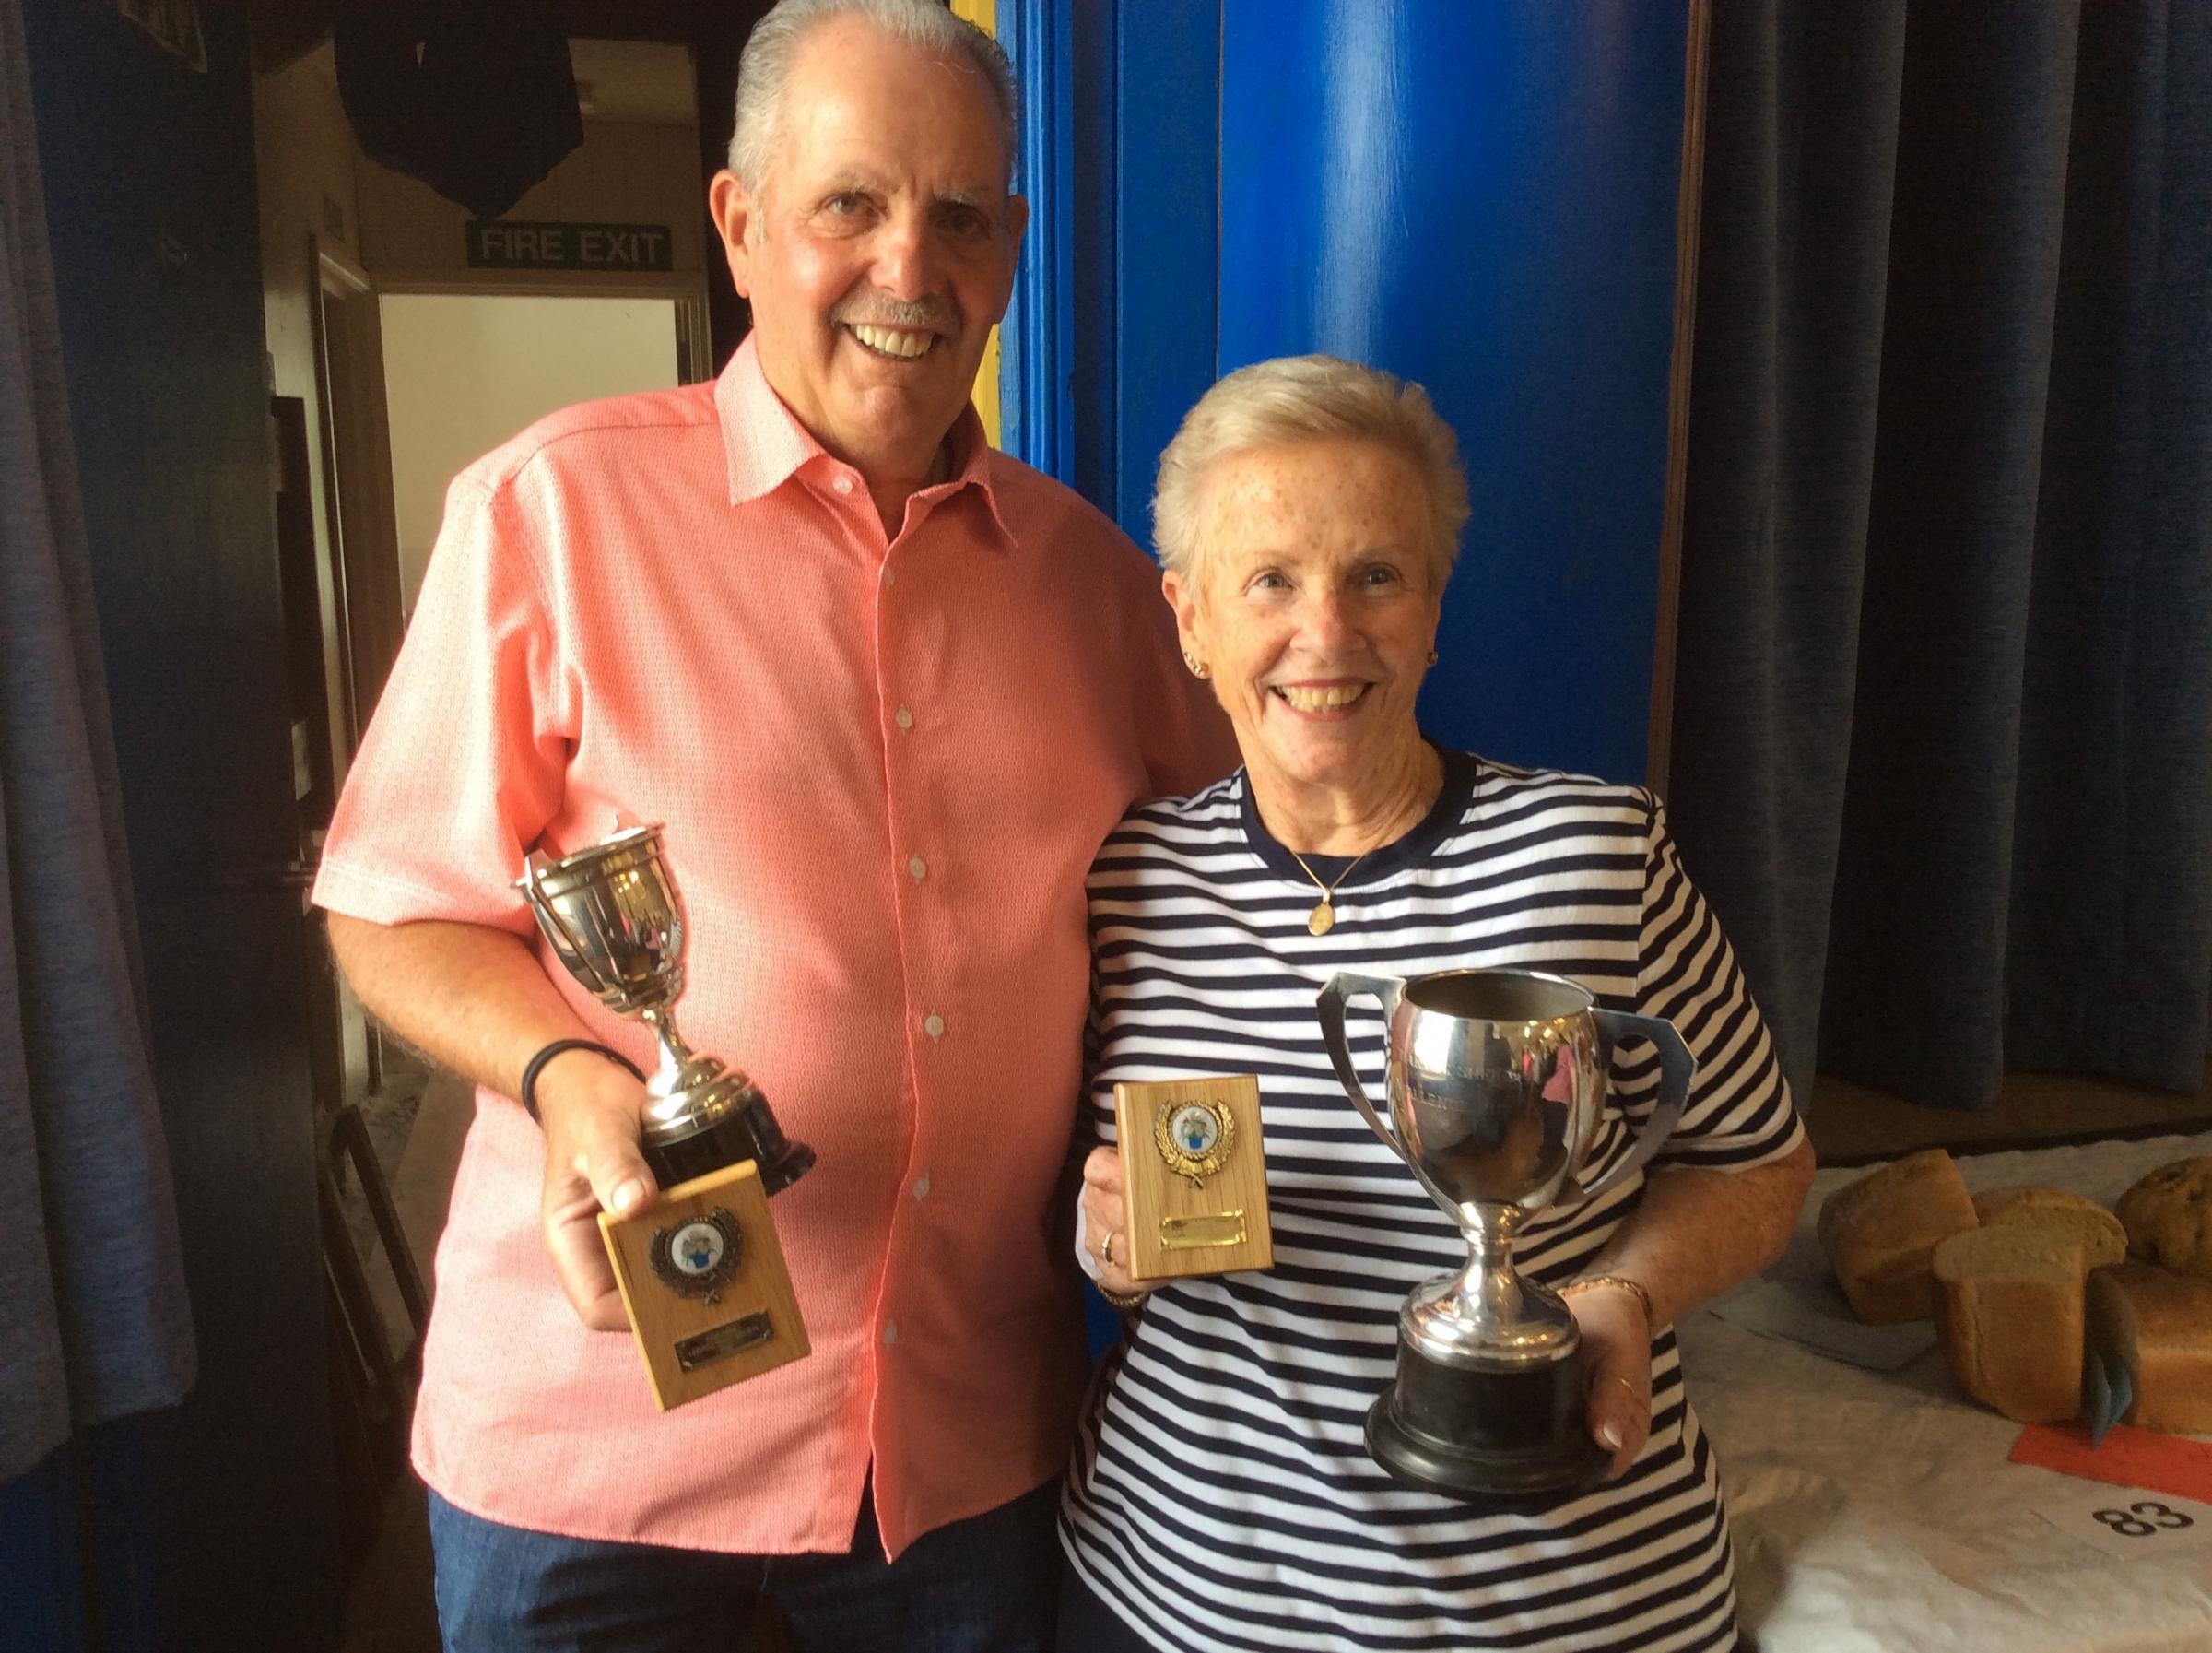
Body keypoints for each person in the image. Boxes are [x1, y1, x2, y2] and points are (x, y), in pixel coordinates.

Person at [313, 2, 1230, 1647]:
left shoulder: (1102, 590)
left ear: (1015, 244)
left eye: (961, 216)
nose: (910, 266)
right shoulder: (549, 511)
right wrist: (568, 1068)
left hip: (960, 1457)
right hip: (595, 1449)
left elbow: (1210, 915)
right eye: (849, 206)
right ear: (740, 225)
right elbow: (389, 903)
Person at [1062, 354, 1816, 1652]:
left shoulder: (1597, 853)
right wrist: (1108, 1248)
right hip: (1176, 1601)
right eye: (1270, 581)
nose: (1328, 632)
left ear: (1433, 611)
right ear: (1189, 620)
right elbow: (1111, 1209)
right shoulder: (1126, 878)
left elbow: (1762, 1162)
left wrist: (1626, 1294)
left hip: (1567, 1609)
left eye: (1376, 575)